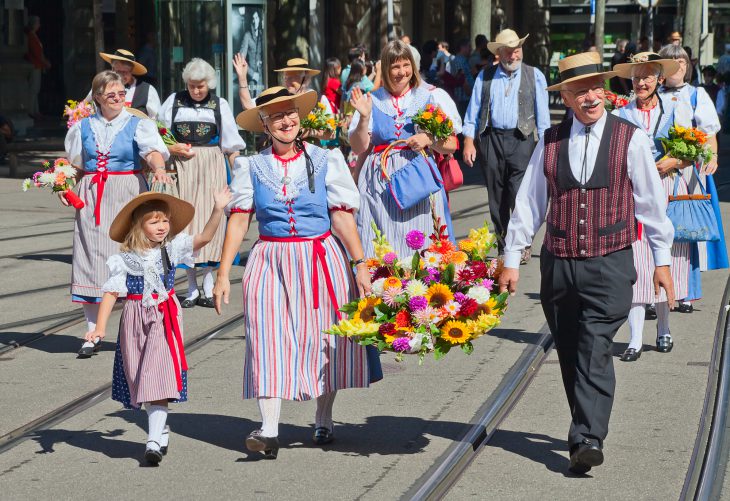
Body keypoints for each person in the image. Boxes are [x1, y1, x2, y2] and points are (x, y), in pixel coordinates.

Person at [499, 51, 676, 474]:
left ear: (606, 91)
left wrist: (662, 261)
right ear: (568, 98)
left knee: (595, 345)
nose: (590, 96)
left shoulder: (630, 139)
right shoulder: (550, 139)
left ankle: (588, 437)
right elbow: (529, 204)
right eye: (580, 91)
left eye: (596, 87)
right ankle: (584, 427)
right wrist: (511, 257)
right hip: (558, 264)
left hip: (610, 263)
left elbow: (652, 206)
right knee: (569, 349)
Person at [213, 86, 380, 459]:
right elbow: (239, 221)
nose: (286, 121)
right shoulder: (250, 167)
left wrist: (360, 264)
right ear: (264, 124)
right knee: (266, 338)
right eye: (277, 116)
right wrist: (223, 273)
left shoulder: (326, 159)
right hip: (269, 260)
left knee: (322, 340)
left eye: (291, 113)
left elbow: (341, 216)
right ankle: (269, 429)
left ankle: (323, 415)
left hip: (320, 258)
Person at [88, 189, 230, 464]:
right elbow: (110, 294)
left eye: (165, 221)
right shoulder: (124, 260)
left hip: (164, 320)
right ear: (139, 226)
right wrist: (99, 328)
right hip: (134, 320)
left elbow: (205, 237)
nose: (162, 226)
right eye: (154, 222)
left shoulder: (172, 248)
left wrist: (217, 210)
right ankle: (159, 427)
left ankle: (152, 440)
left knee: (158, 376)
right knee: (141, 376)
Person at [64, 71, 170, 357]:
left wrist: (158, 167)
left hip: (127, 191)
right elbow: (75, 164)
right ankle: (92, 330)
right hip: (92, 194)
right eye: (112, 95)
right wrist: (64, 185)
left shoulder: (137, 123)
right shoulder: (83, 127)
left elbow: (152, 152)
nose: (118, 99)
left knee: (132, 258)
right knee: (90, 259)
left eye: (122, 94)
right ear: (97, 97)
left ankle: (136, 328)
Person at [611, 52, 691, 359]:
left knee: (663, 260)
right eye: (636, 77)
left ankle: (664, 328)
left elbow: (693, 153)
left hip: (668, 188)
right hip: (633, 193)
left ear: (659, 79)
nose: (641, 82)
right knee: (637, 263)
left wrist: (671, 161)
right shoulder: (621, 114)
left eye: (647, 76)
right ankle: (634, 338)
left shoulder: (675, 109)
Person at [348, 40, 458, 258]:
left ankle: (421, 288)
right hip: (379, 181)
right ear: (385, 69)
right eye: (395, 67)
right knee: (379, 242)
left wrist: (428, 139)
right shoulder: (372, 100)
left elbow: (451, 144)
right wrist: (364, 118)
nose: (402, 72)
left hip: (418, 179)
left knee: (423, 239)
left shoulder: (428, 98)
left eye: (406, 65)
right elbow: (358, 146)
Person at [159, 58, 244, 308]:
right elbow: (158, 133)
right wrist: (170, 146)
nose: (196, 90)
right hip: (183, 168)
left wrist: (239, 173)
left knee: (211, 220)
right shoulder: (174, 101)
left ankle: (208, 284)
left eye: (201, 86)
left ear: (210, 84)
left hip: (211, 165)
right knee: (185, 223)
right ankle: (192, 287)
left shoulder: (220, 105)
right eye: (193, 85)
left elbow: (231, 143)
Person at [462, 28, 551, 262]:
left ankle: (522, 243)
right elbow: (473, 112)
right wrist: (468, 142)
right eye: (508, 52)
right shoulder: (485, 76)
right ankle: (503, 246)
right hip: (491, 139)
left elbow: (543, 118)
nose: (514, 56)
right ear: (499, 53)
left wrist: (546, 148)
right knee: (497, 196)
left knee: (519, 194)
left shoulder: (535, 75)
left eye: (517, 50)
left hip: (522, 140)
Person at [658, 44, 726, 312]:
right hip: (656, 169)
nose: (678, 65)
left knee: (685, 230)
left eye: (682, 61)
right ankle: (655, 292)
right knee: (655, 230)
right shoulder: (652, 94)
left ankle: (685, 291)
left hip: (687, 171)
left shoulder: (696, 94)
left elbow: (709, 134)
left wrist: (713, 157)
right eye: (671, 61)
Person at [98, 49, 162, 119]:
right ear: (112, 69)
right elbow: (87, 108)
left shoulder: (148, 90)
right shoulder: (102, 87)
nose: (120, 76)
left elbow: (157, 120)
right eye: (118, 71)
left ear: (131, 71)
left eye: (125, 72)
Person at [24, 16, 50, 120]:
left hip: (38, 65)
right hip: (35, 65)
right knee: (33, 89)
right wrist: (45, 63)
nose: (39, 25)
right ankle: (31, 111)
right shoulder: (31, 36)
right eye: (37, 23)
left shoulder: (34, 36)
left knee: (36, 89)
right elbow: (36, 53)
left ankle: (35, 111)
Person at [239, 8, 264, 96]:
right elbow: (240, 59)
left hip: (263, 76)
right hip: (253, 78)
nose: (255, 21)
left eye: (256, 18)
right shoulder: (247, 36)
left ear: (260, 19)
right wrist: (252, 74)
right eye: (253, 19)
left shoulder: (262, 35)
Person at [451, 38, 476, 116]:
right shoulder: (459, 60)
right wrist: (470, 93)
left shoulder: (463, 60)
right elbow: (462, 79)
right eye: (469, 46)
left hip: (465, 98)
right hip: (463, 99)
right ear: (462, 47)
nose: (471, 49)